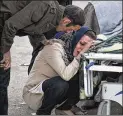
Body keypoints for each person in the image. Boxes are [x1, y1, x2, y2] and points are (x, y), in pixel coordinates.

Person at [0, 0, 84, 115]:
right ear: (66, 21)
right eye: (71, 29)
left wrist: (43, 41)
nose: (69, 33)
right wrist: (6, 51)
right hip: (3, 26)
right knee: (2, 77)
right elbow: (10, 25)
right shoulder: (45, 6)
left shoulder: (53, 15)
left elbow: (32, 27)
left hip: (5, 28)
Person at [23, 26, 96, 115]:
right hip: (34, 94)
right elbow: (66, 75)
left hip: (52, 92)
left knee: (83, 81)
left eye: (86, 47)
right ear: (75, 39)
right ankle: (43, 113)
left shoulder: (71, 52)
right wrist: (80, 56)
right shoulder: (53, 47)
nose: (82, 49)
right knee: (60, 84)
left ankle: (63, 108)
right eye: (81, 43)